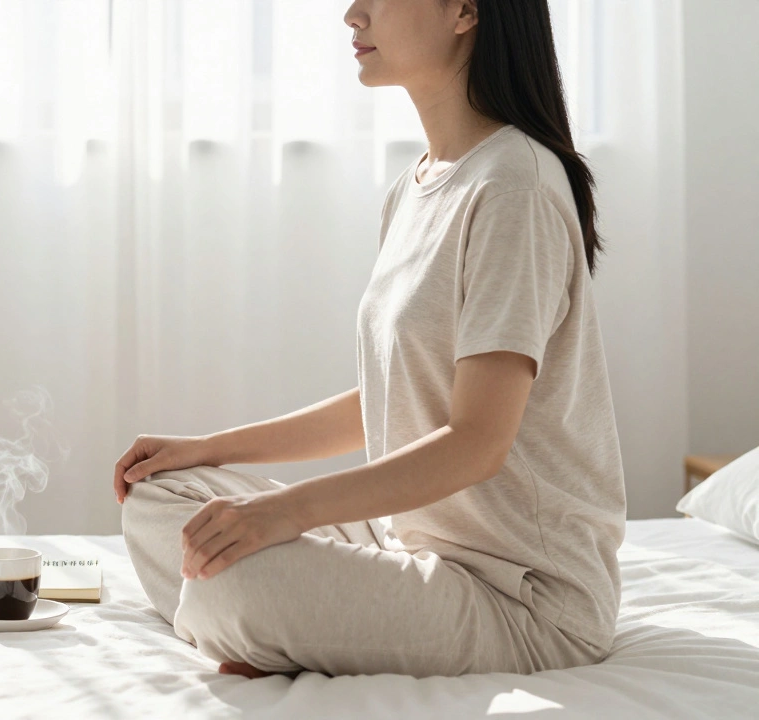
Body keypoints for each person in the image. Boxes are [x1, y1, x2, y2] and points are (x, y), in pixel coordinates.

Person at [115, 0, 625, 680]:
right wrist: (209, 449)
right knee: (163, 496)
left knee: (230, 581)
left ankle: (253, 622)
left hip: (519, 596)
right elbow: (392, 397)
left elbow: (478, 440)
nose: (352, 15)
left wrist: (285, 512)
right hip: (410, 541)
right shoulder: (413, 190)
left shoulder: (515, 186)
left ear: (466, 11)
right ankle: (263, 625)